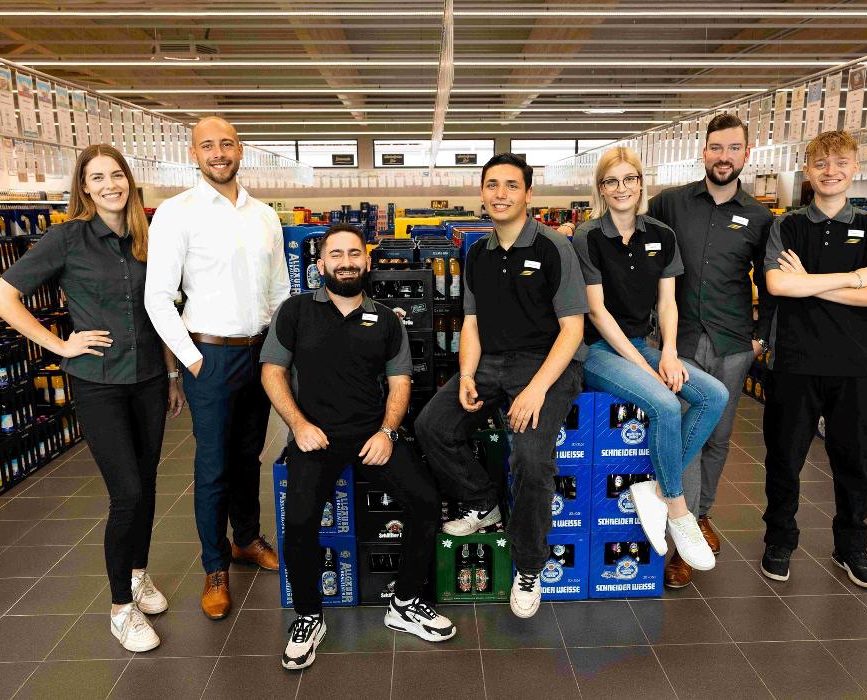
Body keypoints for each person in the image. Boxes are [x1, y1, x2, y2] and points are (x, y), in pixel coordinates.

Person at [0, 144, 185, 652]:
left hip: (147, 379)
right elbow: (1, 296)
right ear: (84, 187)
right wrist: (59, 343)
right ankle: (121, 607)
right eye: (97, 178)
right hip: (98, 382)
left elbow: (158, 308)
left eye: (116, 175)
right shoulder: (67, 237)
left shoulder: (147, 236)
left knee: (147, 483)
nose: (109, 185)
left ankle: (138, 575)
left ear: (129, 181)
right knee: (127, 493)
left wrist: (170, 375)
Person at [261, 224, 455, 670]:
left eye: (354, 254)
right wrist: (299, 425)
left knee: (426, 502)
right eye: (336, 255)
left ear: (367, 262)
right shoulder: (294, 312)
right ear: (320, 264)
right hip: (315, 436)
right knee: (301, 519)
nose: (346, 262)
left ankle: (404, 603)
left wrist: (387, 432)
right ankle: (309, 615)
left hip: (372, 434)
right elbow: (272, 372)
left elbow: (400, 381)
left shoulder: (386, 320)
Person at [414, 153, 586, 619]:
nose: (501, 193)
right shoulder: (477, 253)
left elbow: (572, 329)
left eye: (512, 185)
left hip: (547, 363)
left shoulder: (553, 247)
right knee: (432, 425)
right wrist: (467, 375)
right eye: (492, 185)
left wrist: (535, 390)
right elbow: (469, 322)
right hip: (489, 362)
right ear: (482, 193)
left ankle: (529, 565)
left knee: (531, 459)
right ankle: (482, 501)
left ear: (528, 194)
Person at [145, 116, 291, 620]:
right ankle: (214, 566)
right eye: (207, 145)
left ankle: (246, 538)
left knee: (250, 453)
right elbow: (158, 298)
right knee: (212, 466)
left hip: (260, 352)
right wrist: (191, 360)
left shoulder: (265, 216)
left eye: (226, 143)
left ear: (240, 149)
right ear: (194, 154)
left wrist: (282, 349)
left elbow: (279, 291)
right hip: (209, 354)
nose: (218, 152)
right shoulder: (176, 213)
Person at [571, 147, 728, 570]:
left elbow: (668, 304)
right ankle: (678, 511)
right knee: (663, 402)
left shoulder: (662, 234)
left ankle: (656, 489)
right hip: (596, 350)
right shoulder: (588, 237)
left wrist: (669, 354)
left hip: (644, 343)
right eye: (611, 181)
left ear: (641, 184)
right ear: (601, 189)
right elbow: (597, 313)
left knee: (713, 395)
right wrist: (643, 368)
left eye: (629, 179)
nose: (621, 188)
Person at [761, 130, 867, 589]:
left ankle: (852, 547)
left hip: (856, 367)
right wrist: (855, 279)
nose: (831, 171)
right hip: (793, 363)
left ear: (856, 168)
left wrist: (816, 282)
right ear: (807, 170)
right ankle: (779, 541)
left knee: (855, 462)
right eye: (821, 163)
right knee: (784, 459)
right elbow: (780, 286)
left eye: (841, 162)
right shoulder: (788, 226)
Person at [643, 113, 775, 589]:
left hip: (734, 342)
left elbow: (771, 282)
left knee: (718, 437)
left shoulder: (759, 217)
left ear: (746, 153)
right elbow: (637, 248)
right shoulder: (671, 204)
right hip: (679, 343)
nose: (724, 157)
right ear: (704, 151)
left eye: (733, 148)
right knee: (687, 434)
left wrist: (762, 335)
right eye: (716, 147)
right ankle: (680, 543)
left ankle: (700, 516)